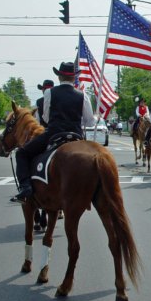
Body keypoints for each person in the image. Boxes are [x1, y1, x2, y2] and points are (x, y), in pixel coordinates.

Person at [14, 62, 95, 200]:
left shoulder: (49, 92)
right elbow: (90, 121)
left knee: (21, 153)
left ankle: (26, 187)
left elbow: (45, 116)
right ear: (74, 78)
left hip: (54, 134)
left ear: (59, 77)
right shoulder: (83, 95)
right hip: (76, 136)